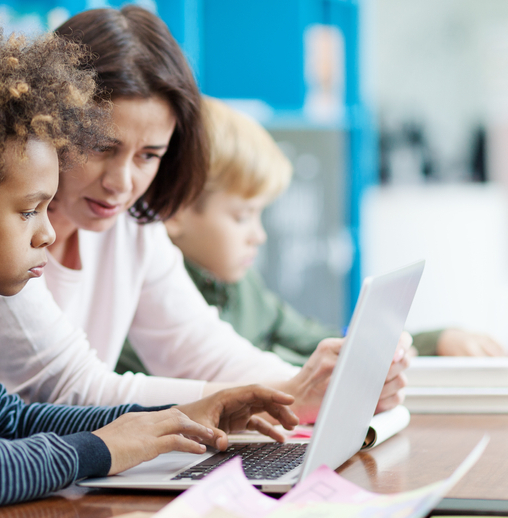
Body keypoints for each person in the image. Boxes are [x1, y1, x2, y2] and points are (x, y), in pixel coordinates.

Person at [0, 12, 299, 518]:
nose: (47, 232)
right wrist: (100, 448)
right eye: (28, 211)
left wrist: (160, 422)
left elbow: (5, 416)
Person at [0, 6, 410, 424]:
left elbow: (198, 349)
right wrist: (284, 398)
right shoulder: (1, 231)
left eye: (149, 155)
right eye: (101, 147)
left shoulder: (130, 222)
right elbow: (74, 389)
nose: (122, 182)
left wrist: (316, 390)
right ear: (47, 125)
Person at [117, 97, 504, 374]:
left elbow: (322, 340)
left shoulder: (242, 288)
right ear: (175, 210)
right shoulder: (140, 302)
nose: (259, 236)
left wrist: (435, 341)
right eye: (242, 216)